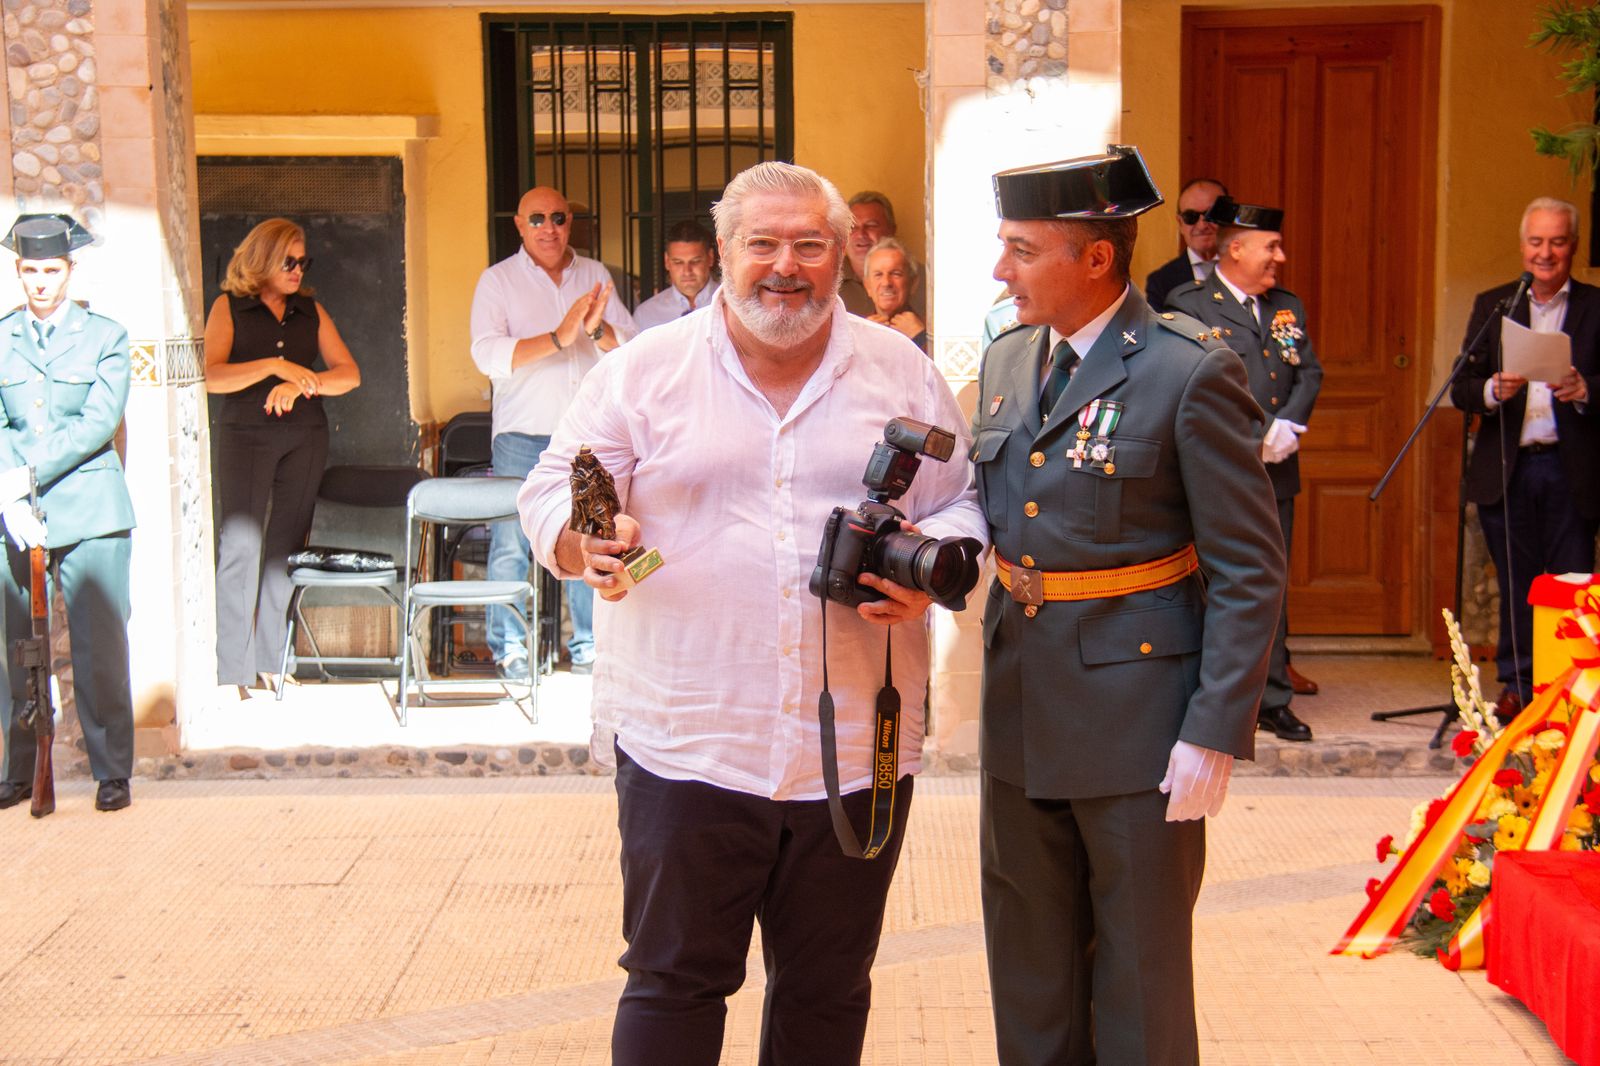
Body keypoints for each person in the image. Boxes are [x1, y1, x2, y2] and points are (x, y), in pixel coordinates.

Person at [519, 160, 985, 1065]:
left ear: (844, 253)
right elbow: (550, 490)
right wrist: (584, 543)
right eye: (763, 244)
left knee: (827, 989)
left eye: (810, 244)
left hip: (856, 742)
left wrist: (931, 574)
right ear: (724, 252)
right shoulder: (643, 372)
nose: (787, 265)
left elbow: (962, 503)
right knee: (672, 983)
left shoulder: (902, 371)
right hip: (685, 736)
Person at [973, 146, 1284, 1064]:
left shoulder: (1189, 371)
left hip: (1139, 719)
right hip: (1021, 705)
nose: (1002, 270)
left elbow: (1248, 567)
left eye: (1022, 251)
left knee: (1138, 980)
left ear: (1095, 258)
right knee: (1029, 972)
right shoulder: (1006, 358)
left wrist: (1214, 729)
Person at [1169, 197, 1324, 741]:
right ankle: (1213, 698)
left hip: (1277, 470)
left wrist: (1291, 426)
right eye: (1271, 247)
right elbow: (1187, 383)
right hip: (1214, 468)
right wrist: (1252, 436)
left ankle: (1272, 697)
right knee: (1211, 580)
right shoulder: (1189, 304)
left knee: (1269, 580)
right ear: (1236, 248)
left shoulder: (1286, 306)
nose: (1279, 257)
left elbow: (1308, 372)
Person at [469, 186, 636, 678]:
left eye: (558, 217)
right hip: (522, 435)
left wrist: (594, 330)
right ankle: (510, 648)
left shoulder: (595, 275)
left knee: (589, 537)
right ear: (519, 226)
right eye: (536, 218)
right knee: (509, 545)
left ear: (569, 223)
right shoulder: (497, 281)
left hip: (584, 437)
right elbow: (487, 355)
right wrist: (558, 338)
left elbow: (629, 346)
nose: (549, 227)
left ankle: (585, 644)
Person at [0, 213, 137, 813]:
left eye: (51, 271)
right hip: (13, 511)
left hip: (90, 508)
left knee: (98, 644)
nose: (40, 282)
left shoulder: (105, 335)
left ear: (70, 270)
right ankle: (20, 768)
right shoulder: (2, 335)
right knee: (15, 648)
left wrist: (22, 475)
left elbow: (98, 424)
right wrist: (6, 493)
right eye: (30, 271)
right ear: (17, 270)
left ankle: (112, 771)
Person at [1449, 196, 1600, 717]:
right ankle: (1517, 685)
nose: (1546, 252)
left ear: (1573, 247)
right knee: (1517, 581)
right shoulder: (1496, 305)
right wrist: (1493, 389)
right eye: (1536, 241)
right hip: (1508, 469)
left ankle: (1571, 689)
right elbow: (1461, 387)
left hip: (1571, 467)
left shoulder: (1595, 307)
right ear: (1522, 247)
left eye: (1557, 241)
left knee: (1573, 582)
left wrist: (1585, 388)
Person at [204, 218, 361, 692]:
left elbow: (349, 374)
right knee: (241, 545)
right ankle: (233, 668)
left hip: (304, 437)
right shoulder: (229, 307)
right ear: (263, 260)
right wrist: (274, 366)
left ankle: (274, 660)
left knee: (285, 550)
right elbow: (212, 376)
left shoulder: (310, 311)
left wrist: (300, 384)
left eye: (302, 261)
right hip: (244, 436)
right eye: (288, 261)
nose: (297, 270)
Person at [839, 190, 926, 320]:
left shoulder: (926, 280)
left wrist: (920, 335)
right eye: (853, 227)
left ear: (892, 229)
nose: (861, 234)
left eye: (871, 226)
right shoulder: (829, 280)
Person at [1144, 177, 1227, 311]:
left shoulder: (1250, 272)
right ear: (1180, 223)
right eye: (1191, 216)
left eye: (1211, 214)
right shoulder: (1161, 282)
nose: (1202, 225)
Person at [632, 220, 720, 332]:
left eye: (695, 261)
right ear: (667, 261)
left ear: (711, 258)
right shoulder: (646, 314)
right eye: (678, 262)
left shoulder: (732, 305)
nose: (687, 271)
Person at [862, 236, 927, 350]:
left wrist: (921, 338)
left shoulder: (932, 333)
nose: (886, 282)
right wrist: (861, 339)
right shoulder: (855, 332)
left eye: (896, 274)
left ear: (913, 284)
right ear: (868, 286)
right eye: (878, 275)